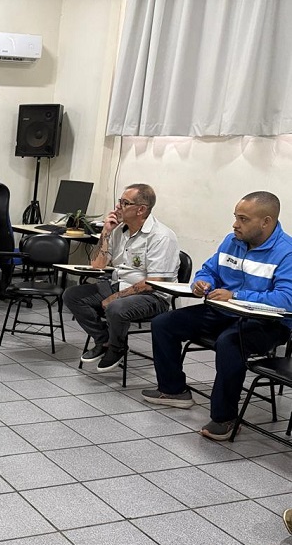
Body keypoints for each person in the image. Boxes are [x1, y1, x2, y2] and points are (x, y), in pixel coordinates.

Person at [143, 191, 292, 440]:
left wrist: (235, 295)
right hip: (223, 312)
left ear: (266, 222)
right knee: (164, 323)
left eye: (243, 219)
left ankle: (225, 418)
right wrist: (202, 282)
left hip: (267, 323)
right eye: (236, 217)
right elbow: (209, 270)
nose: (235, 224)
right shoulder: (232, 241)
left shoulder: (287, 252)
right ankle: (173, 390)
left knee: (230, 342)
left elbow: (286, 299)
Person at [64, 183, 180, 373]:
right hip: (118, 285)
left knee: (116, 307)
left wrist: (115, 297)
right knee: (72, 295)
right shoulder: (119, 230)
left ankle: (117, 348)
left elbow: (154, 283)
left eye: (125, 203)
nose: (118, 207)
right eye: (120, 201)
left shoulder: (161, 236)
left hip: (153, 297)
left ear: (141, 210)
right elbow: (97, 265)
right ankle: (104, 340)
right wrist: (106, 232)